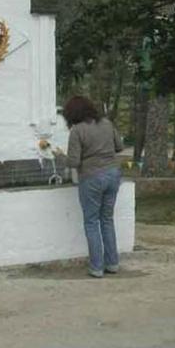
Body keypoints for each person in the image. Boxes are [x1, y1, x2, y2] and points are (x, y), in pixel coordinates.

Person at [62, 96, 123, 278]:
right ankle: (112, 264)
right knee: (107, 219)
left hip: (92, 177)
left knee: (91, 222)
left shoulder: (77, 130)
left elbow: (73, 161)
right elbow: (119, 146)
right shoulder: (106, 123)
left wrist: (59, 157)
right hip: (113, 174)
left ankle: (96, 267)